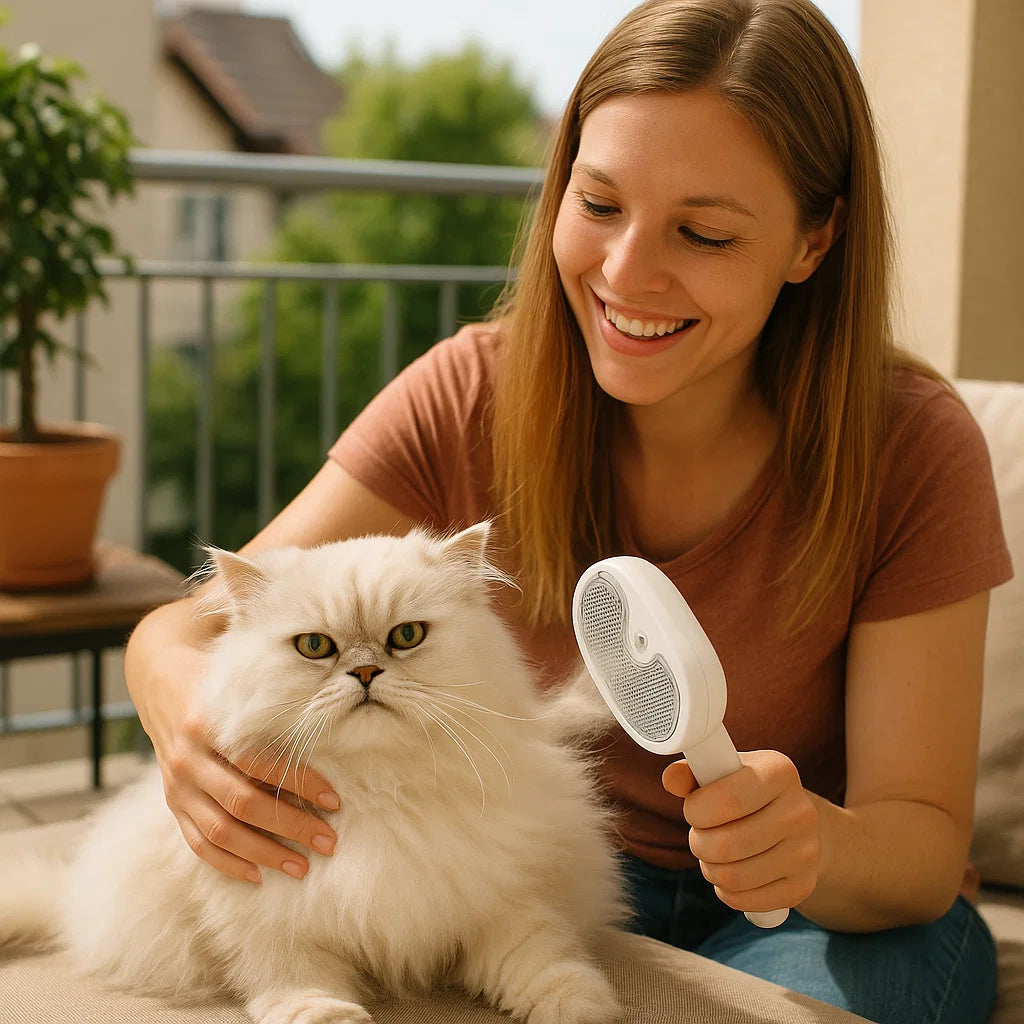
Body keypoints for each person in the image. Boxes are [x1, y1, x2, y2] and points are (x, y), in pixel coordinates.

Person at [124, 1, 1012, 1020]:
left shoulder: (909, 444)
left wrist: (813, 841)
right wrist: (185, 713)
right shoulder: (469, 394)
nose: (625, 272)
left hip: (833, 917)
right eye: (597, 205)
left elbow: (919, 846)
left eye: (703, 231)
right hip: (548, 870)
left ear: (814, 238)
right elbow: (183, 625)